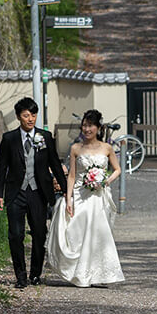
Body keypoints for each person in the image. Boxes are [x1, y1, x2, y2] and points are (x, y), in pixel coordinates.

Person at [0, 97, 67, 289]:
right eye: (26, 115)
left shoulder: (46, 136)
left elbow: (55, 165)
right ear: (19, 117)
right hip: (16, 193)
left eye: (33, 115)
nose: (30, 119)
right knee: (15, 235)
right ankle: (20, 276)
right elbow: (2, 167)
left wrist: (66, 190)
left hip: (38, 192)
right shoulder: (9, 139)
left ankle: (35, 274)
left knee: (39, 233)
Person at [46, 108, 124, 287]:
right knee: (78, 232)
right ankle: (80, 273)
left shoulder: (107, 148)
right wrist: (68, 197)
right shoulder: (75, 148)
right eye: (84, 126)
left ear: (98, 127)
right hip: (81, 193)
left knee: (98, 234)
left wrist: (105, 181)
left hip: (99, 196)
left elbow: (117, 169)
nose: (87, 129)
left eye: (90, 126)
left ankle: (99, 275)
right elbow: (72, 175)